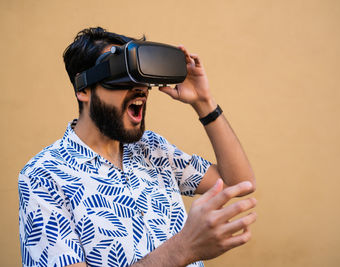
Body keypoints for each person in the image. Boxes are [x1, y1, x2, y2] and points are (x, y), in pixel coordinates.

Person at [18, 27, 256, 267]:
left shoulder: (152, 148)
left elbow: (238, 182)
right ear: (84, 89)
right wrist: (183, 249)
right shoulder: (43, 175)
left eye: (142, 77)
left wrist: (204, 102)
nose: (140, 88)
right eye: (122, 73)